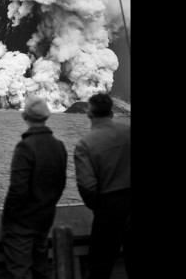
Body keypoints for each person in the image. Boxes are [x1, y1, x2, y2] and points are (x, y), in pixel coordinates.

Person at [1, 95, 68, 279]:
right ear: (47, 116)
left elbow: (18, 190)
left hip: (22, 224)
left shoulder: (25, 147)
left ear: (24, 117)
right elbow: (61, 184)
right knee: (40, 270)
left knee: (20, 272)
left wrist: (9, 218)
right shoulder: (59, 146)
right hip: (45, 220)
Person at [73, 93, 131, 279]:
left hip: (108, 207)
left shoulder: (86, 144)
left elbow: (87, 186)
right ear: (112, 111)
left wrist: (100, 206)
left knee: (100, 266)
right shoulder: (128, 133)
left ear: (89, 113)